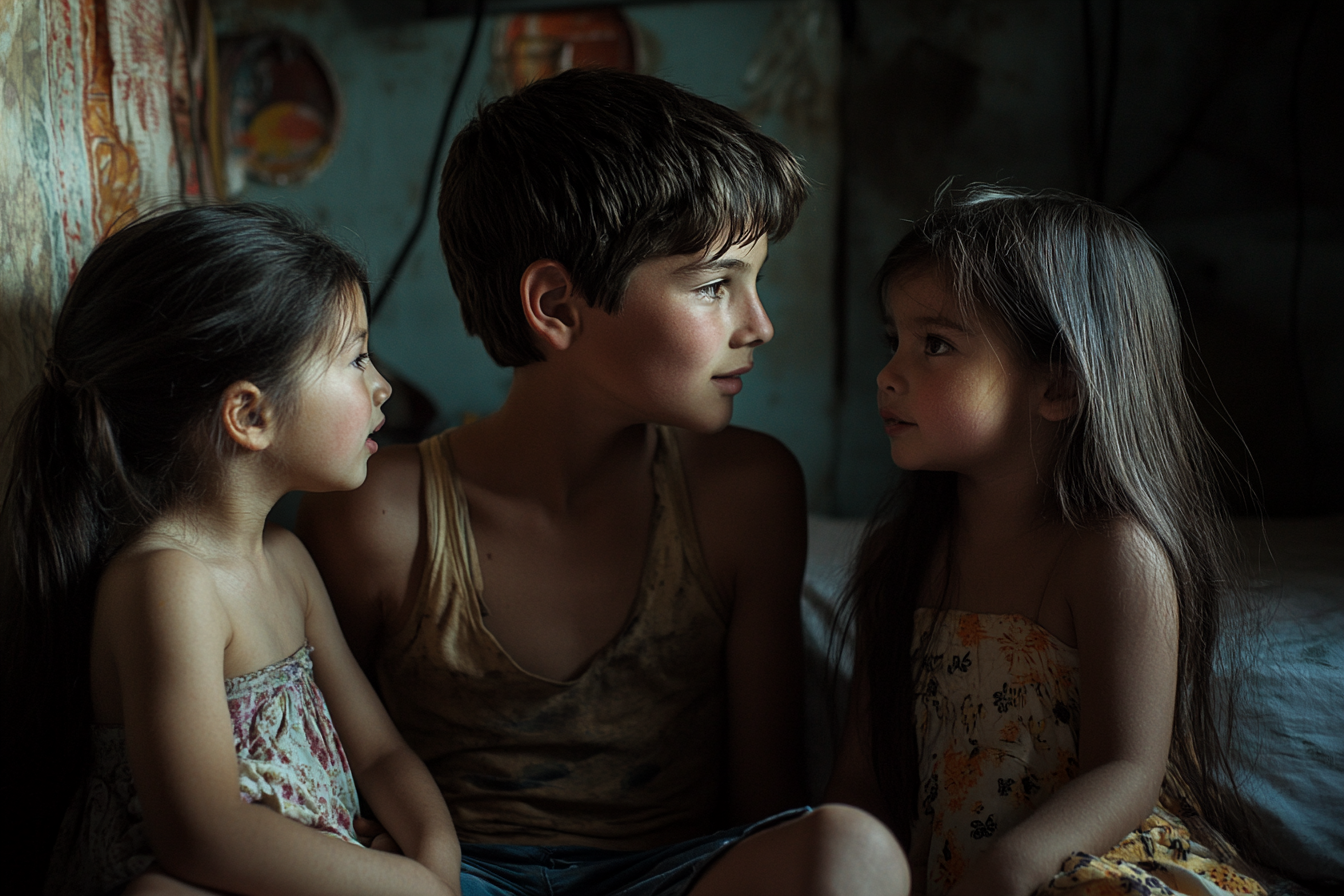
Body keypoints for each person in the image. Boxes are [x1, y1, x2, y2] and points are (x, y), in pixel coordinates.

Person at [297, 69, 908, 896]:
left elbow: (765, 806)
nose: (758, 324)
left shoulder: (747, 492)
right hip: (451, 880)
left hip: (670, 878)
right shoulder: (376, 512)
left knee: (853, 853)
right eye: (713, 285)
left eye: (753, 283)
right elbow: (335, 788)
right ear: (557, 306)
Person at [1, 204, 461, 896]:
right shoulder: (168, 582)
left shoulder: (286, 561)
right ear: (250, 415)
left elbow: (382, 750)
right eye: (356, 357)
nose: (382, 385)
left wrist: (433, 857)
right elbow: (202, 834)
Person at [825, 187, 1269, 896]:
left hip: (1081, 862)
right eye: (894, 341)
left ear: (1058, 386)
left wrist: (1013, 868)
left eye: (934, 344)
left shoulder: (1111, 554)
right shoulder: (898, 556)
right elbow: (861, 776)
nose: (888, 374)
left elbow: (1125, 771)